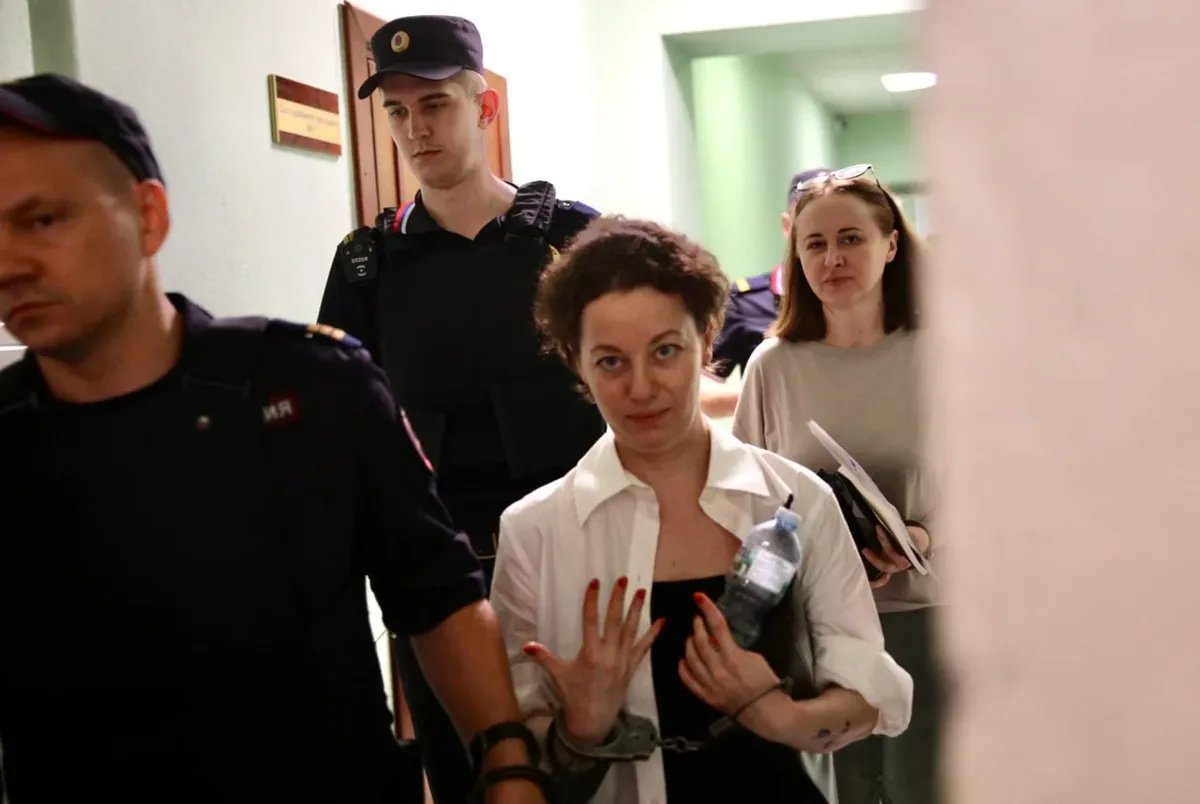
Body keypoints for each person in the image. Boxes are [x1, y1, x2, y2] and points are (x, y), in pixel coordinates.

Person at [0, 74, 547, 804]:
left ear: (149, 216)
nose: (8, 263)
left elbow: (436, 597)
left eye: (42, 221)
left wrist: (508, 767)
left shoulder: (308, 389)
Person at [490, 217, 913, 803]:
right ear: (575, 362)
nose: (643, 387)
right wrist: (582, 728)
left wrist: (775, 713)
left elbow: (870, 695)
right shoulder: (535, 531)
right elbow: (517, 751)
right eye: (611, 361)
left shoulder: (792, 500)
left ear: (708, 338)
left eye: (666, 351)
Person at [317, 15, 606, 802]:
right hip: (437, 576)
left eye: (436, 104)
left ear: (484, 110)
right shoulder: (368, 263)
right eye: (398, 111)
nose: (416, 129)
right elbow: (344, 423)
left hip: (574, 556)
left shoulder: (574, 239)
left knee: (595, 761)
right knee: (463, 768)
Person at [732, 164, 941, 804]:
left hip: (925, 614)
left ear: (891, 244)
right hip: (816, 623)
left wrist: (921, 534)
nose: (833, 258)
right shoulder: (774, 364)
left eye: (851, 238)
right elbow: (743, 494)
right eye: (815, 244)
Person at [699, 167, 829, 418]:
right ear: (787, 225)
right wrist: (771, 393)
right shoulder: (746, 300)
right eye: (808, 222)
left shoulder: (862, 294)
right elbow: (701, 389)